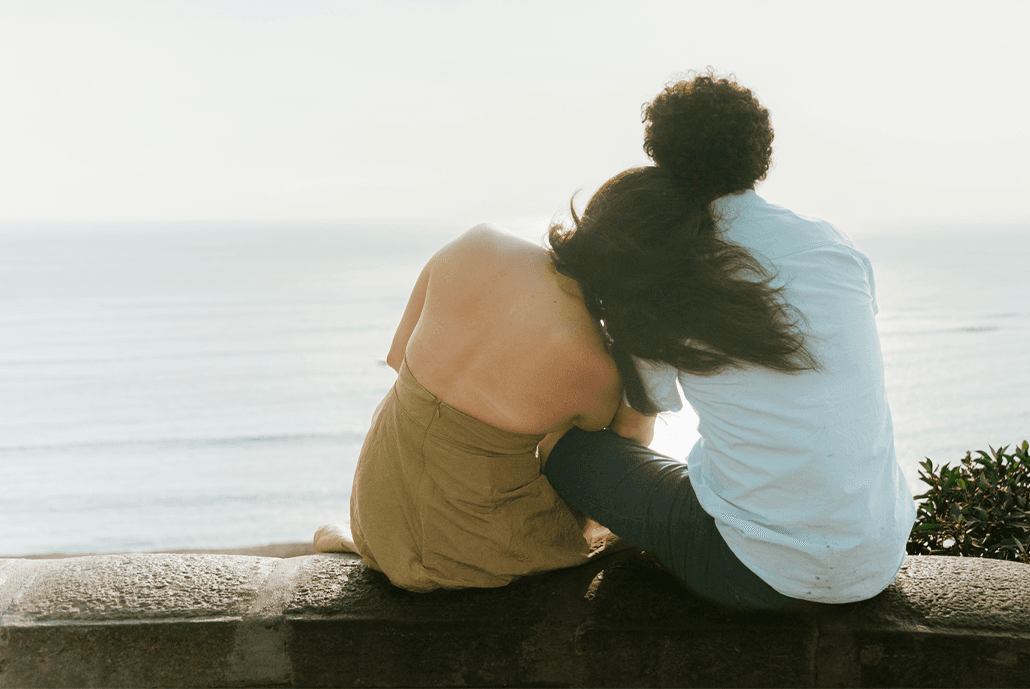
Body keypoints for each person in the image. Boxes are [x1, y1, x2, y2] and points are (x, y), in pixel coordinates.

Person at [541, 72, 917, 610]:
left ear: (660, 158)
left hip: (757, 574)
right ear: (761, 155)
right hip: (877, 559)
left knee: (566, 449)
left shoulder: (668, 263)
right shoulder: (831, 244)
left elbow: (634, 425)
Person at [314, 222, 644, 592]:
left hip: (377, 510)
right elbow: (618, 448)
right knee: (626, 535)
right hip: (472, 547)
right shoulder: (597, 365)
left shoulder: (477, 242)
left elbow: (396, 356)